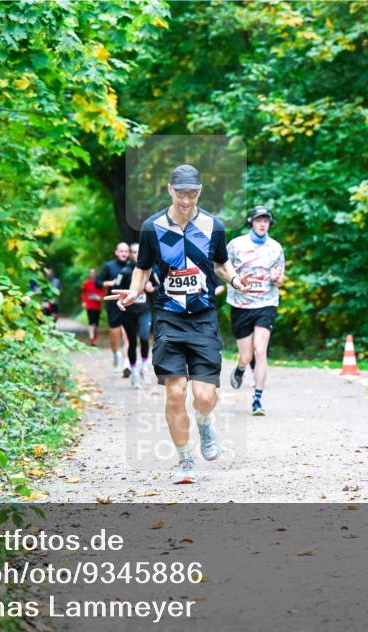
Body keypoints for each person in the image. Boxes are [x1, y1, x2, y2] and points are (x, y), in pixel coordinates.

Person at [110, 164, 256, 484]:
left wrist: (234, 279)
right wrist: (134, 292)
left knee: (204, 396)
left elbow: (220, 263)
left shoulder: (213, 226)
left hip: (203, 318)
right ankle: (185, 461)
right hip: (168, 317)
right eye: (181, 192)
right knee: (175, 394)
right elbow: (143, 268)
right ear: (170, 190)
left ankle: (204, 423)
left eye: (192, 192)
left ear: (199, 191)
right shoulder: (152, 227)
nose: (187, 199)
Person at [227, 205, 285, 416]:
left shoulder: (276, 248)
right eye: (259, 220)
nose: (262, 224)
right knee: (246, 355)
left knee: (261, 351)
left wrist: (277, 279)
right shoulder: (236, 245)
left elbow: (281, 280)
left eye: (266, 221)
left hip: (266, 303)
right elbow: (222, 268)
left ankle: (257, 400)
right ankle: (241, 367)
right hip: (240, 305)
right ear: (251, 222)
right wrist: (234, 281)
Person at [118, 242, 155, 386]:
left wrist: (152, 289)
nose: (137, 254)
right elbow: (116, 290)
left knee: (145, 337)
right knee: (132, 342)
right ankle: (133, 371)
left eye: (140, 251)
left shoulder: (150, 270)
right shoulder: (124, 271)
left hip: (144, 311)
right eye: (134, 252)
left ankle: (144, 369)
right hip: (128, 313)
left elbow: (160, 287)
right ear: (130, 254)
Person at [96, 243, 131, 372]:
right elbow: (98, 282)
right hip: (113, 306)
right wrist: (109, 283)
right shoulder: (109, 266)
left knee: (128, 335)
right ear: (116, 252)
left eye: (126, 251)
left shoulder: (132, 266)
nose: (124, 254)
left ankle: (127, 362)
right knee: (115, 336)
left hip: (128, 304)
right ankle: (116, 354)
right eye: (121, 251)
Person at [80, 268, 103, 345]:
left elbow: (103, 292)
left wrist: (100, 297)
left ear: (96, 273)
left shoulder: (99, 283)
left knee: (96, 323)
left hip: (97, 306)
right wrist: (83, 302)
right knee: (91, 322)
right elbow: (83, 293)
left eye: (93, 272)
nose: (92, 274)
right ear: (89, 274)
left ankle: (95, 338)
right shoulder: (86, 283)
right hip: (89, 305)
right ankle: (91, 339)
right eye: (91, 273)